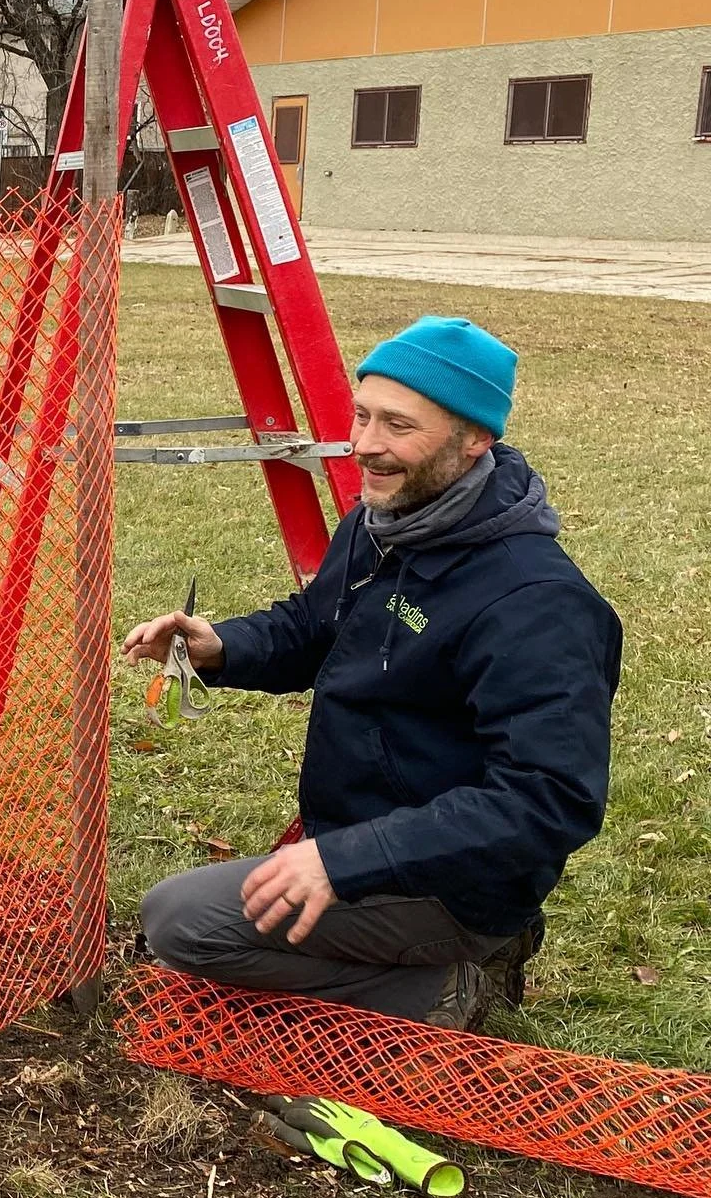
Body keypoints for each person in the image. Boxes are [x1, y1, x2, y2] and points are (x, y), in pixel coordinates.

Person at [125, 317, 622, 1030]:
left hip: (454, 882)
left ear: (475, 438)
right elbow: (315, 625)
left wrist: (346, 860)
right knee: (195, 921)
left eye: (398, 425)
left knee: (180, 923)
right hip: (367, 839)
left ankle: (442, 990)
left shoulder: (538, 604)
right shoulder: (385, 522)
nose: (364, 445)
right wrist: (220, 646)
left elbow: (549, 800)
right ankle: (425, 957)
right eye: (361, 415)